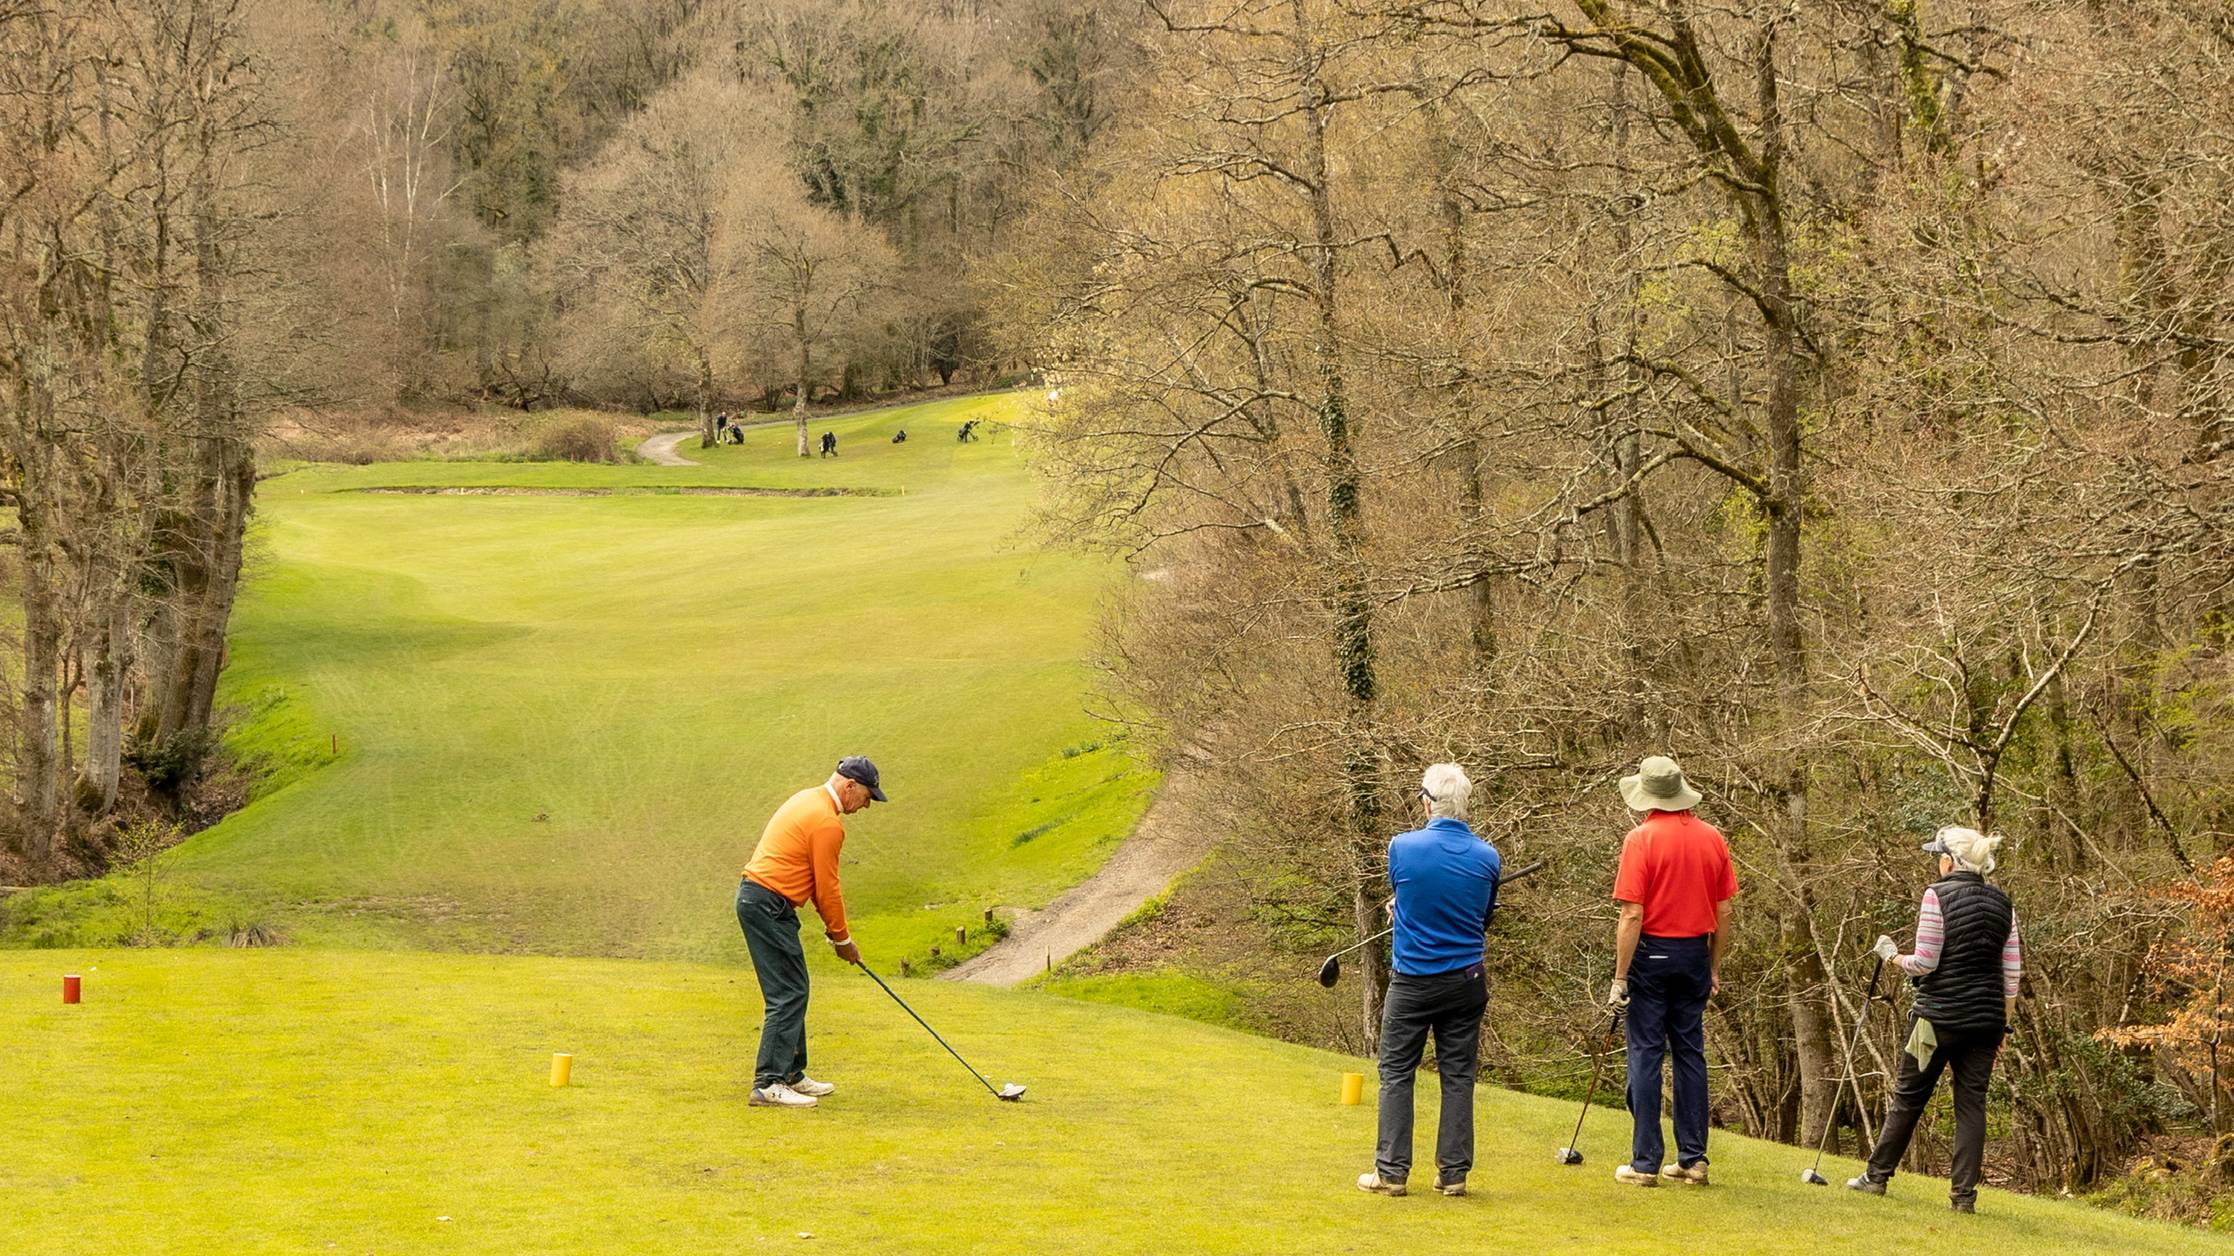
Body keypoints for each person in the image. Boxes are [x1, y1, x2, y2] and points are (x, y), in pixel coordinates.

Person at [1848, 826, 2022, 1214]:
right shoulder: (2004, 903)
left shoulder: (1936, 895)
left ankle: (1876, 1177)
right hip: (1986, 1022)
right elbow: (2011, 975)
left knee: (1909, 1097)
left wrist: (1892, 957)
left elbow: (1925, 962)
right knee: (1972, 1106)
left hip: (1936, 1020)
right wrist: (2004, 1026)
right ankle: (1963, 1198)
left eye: (1938, 857)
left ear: (1948, 861)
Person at [1357, 763, 1501, 1199]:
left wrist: (1401, 906)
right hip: (1466, 980)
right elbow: (1483, 918)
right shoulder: (1488, 857)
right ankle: (1453, 1174)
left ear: (1426, 803)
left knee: (1397, 1072)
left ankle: (1391, 1172)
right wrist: (1403, 906)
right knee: (1458, 1075)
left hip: (1414, 982)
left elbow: (1409, 888)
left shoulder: (1402, 846)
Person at [1606, 754, 1737, 1188]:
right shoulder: (1712, 837)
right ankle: (1693, 1160)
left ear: (1647, 796)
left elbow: (1632, 914)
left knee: (1646, 1052)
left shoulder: (1640, 839)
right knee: (1689, 1052)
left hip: (1652, 954)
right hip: (1695, 953)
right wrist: (1713, 966)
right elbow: (1724, 910)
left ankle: (1645, 1162)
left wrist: (1620, 977)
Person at [736, 756, 888, 1109]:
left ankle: (791, 1073)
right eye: (867, 797)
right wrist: (843, 939)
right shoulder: (827, 823)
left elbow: (817, 886)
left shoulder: (807, 798)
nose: (866, 806)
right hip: (767, 903)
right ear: (850, 786)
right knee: (788, 992)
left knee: (794, 986)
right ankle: (768, 1083)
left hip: (763, 901)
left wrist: (836, 934)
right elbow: (827, 888)